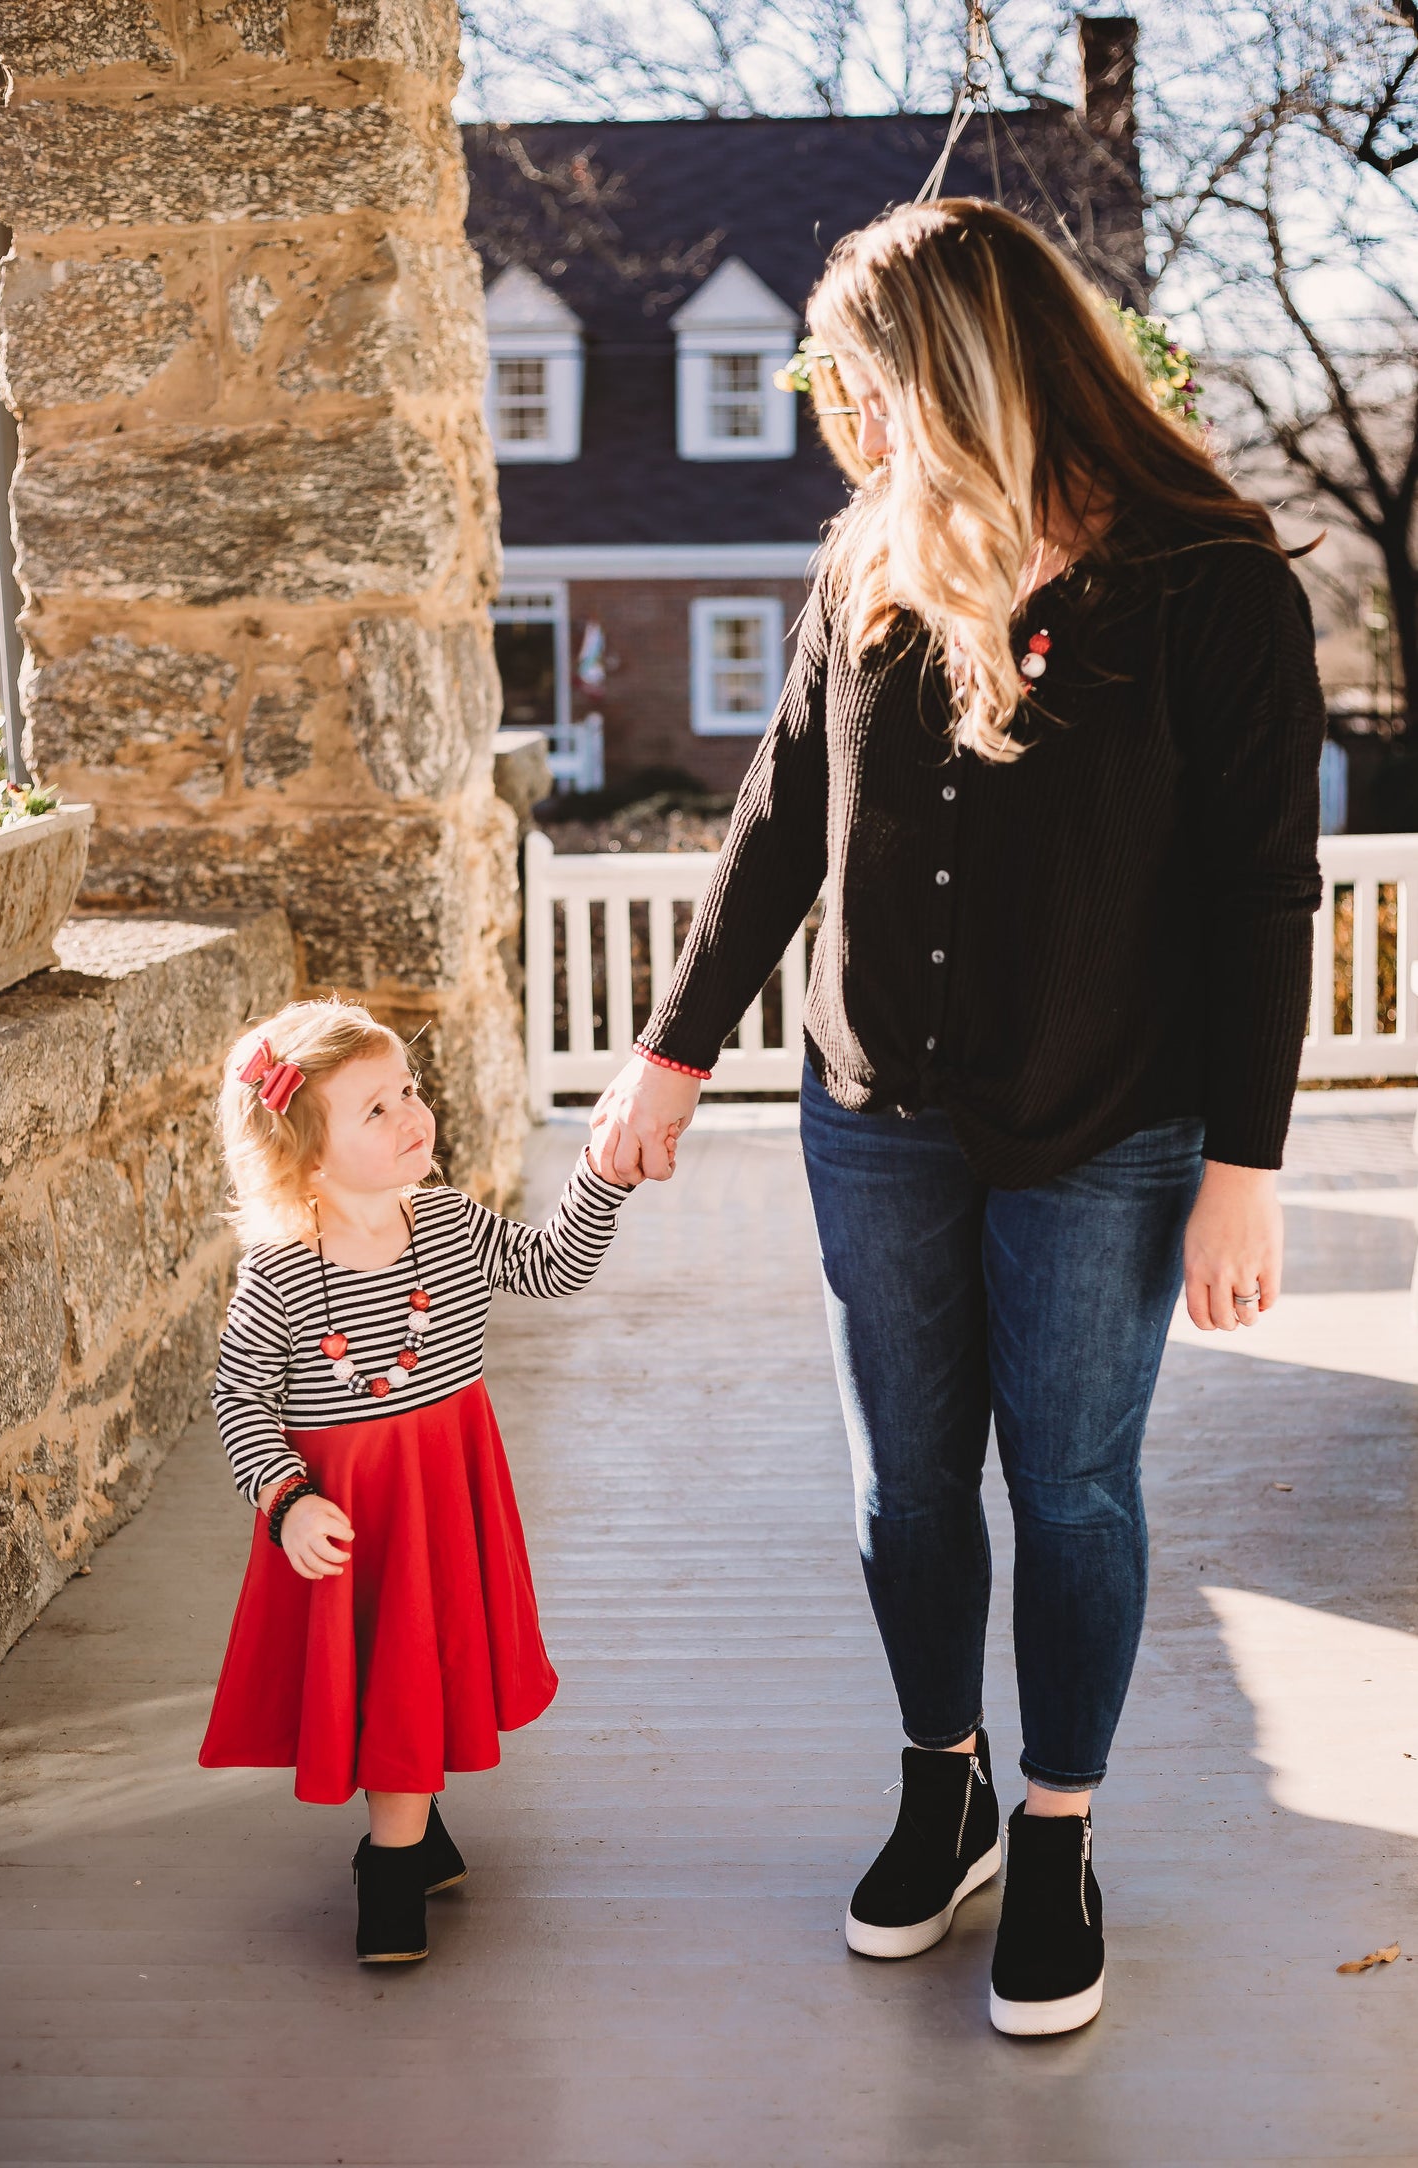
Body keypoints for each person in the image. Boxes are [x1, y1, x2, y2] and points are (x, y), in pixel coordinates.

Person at [589, 200, 1325, 2037]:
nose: (843, 403)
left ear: (962, 365)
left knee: (1069, 1483)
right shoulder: (870, 565)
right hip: (877, 1109)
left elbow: (1260, 889)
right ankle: (950, 1782)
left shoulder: (1209, 584)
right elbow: (778, 815)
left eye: (863, 367)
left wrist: (1248, 1163)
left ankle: (1061, 1828)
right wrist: (671, 1048)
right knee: (904, 1486)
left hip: (1114, 1121)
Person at [199, 999, 636, 1963]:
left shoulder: (442, 1220)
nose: (413, 1116)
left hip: (447, 1486)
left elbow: (551, 1268)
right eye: (376, 1110)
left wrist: (599, 1177)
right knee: (386, 1666)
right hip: (356, 1511)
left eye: (410, 1091)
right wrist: (287, 1498)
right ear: (304, 1158)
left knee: (423, 1660)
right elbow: (239, 1397)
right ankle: (390, 1862)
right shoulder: (277, 1274)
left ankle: (413, 1825)